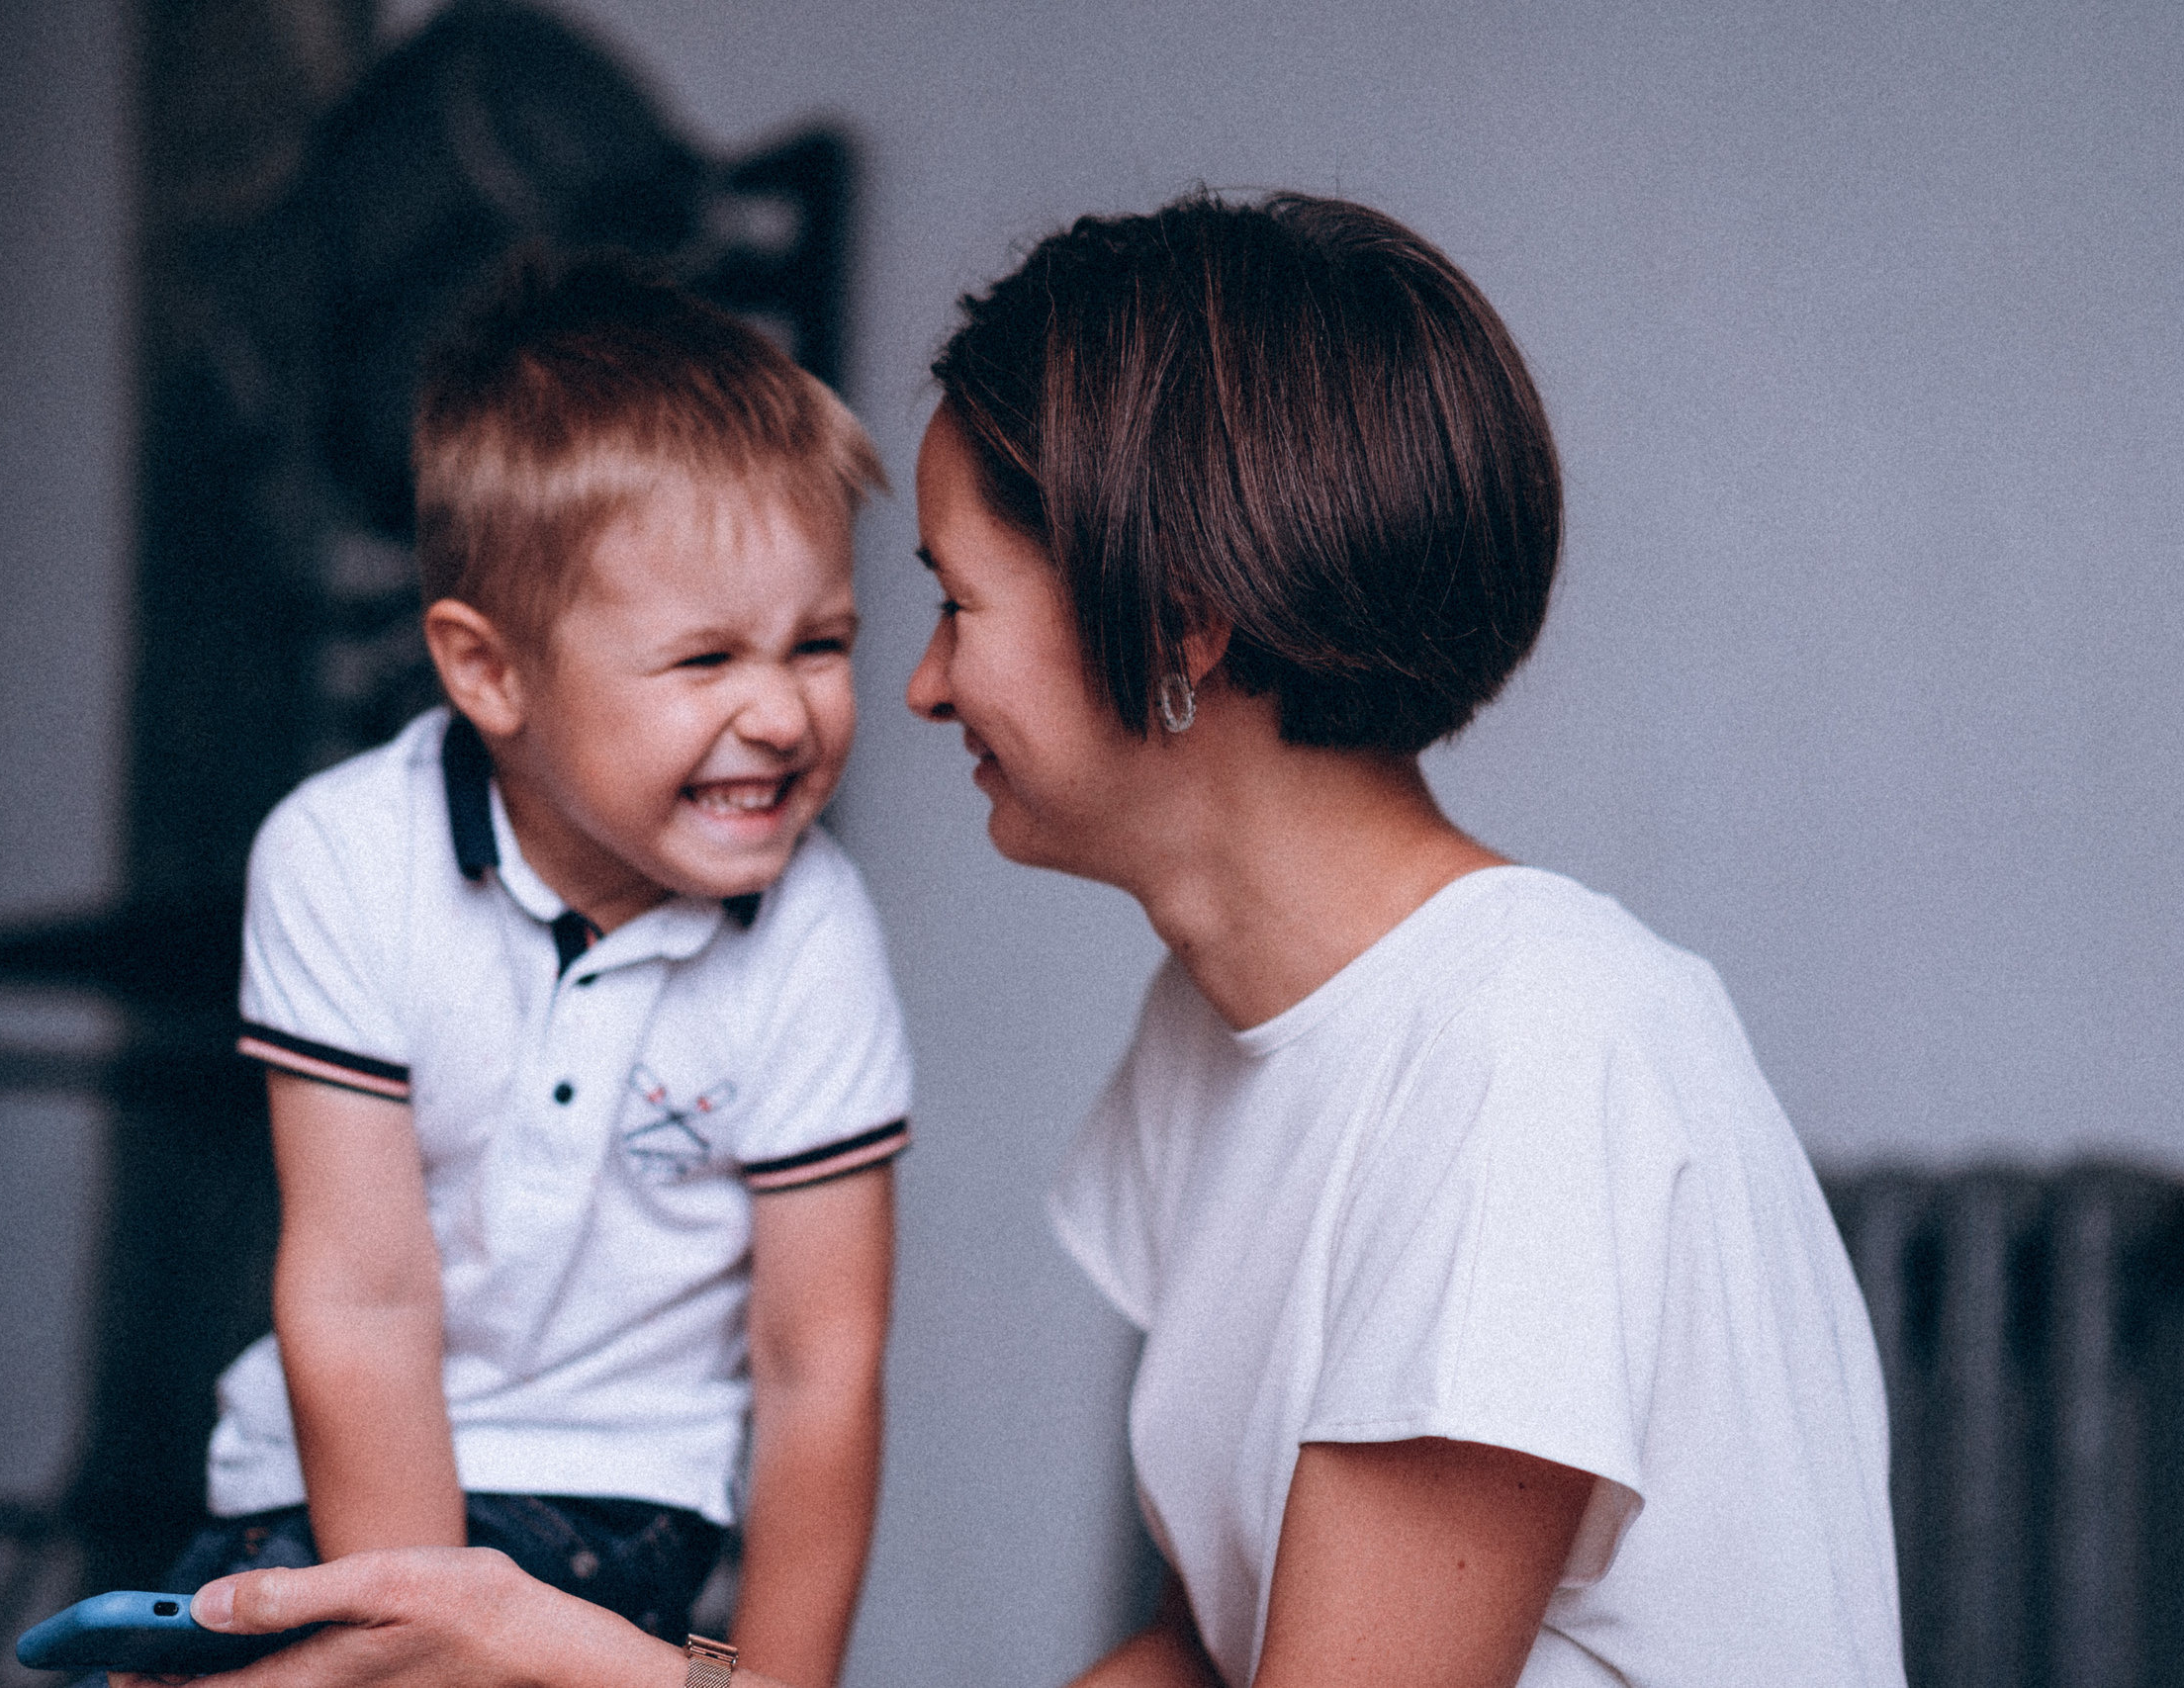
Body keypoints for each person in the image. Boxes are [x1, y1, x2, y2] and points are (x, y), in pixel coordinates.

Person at [122, 192, 1903, 1688]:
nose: (912, 685)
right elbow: (1202, 1662)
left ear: (1179, 627)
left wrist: (608, 1668)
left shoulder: (1535, 1045)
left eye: (956, 604)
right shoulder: (1220, 1033)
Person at [173, 253, 913, 1688]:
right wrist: (416, 1633)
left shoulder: (816, 934)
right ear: (488, 673)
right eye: (704, 661)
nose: (780, 711)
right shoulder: (342, 857)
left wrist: (775, 1687)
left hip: (617, 1517)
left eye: (820, 645)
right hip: (326, 1491)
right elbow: (364, 1298)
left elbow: (820, 1368)